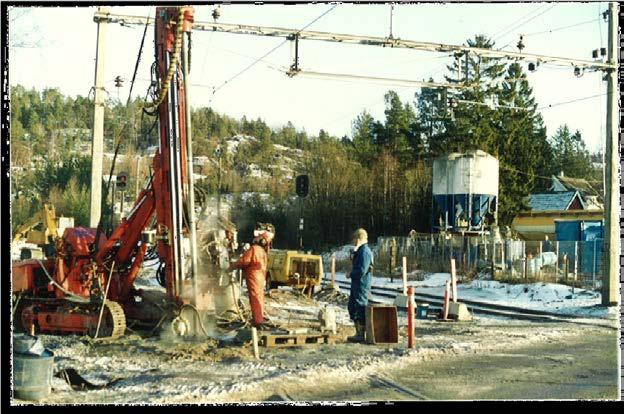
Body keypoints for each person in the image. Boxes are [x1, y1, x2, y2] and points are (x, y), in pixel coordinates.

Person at [231, 233, 270, 328]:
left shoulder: (254, 249)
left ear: (261, 239)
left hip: (253, 276)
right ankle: (259, 318)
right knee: (259, 297)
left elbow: (244, 261)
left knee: (254, 298)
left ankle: (257, 322)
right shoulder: (263, 251)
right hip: (260, 277)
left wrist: (231, 267)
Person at [347, 228, 374, 343]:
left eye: (354, 239)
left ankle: (361, 334)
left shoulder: (365, 252)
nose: (352, 242)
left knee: (360, 307)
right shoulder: (362, 251)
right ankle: (358, 332)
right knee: (353, 307)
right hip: (357, 284)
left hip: (361, 285)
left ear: (358, 239)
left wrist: (351, 274)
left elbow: (362, 270)